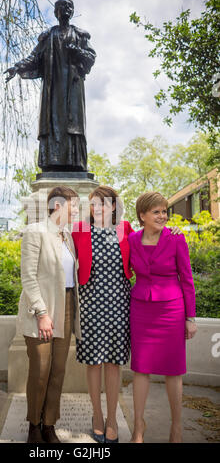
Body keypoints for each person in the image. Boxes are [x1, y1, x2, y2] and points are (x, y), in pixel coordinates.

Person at [128, 192, 197, 443]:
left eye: (164, 211)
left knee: (173, 370)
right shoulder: (132, 240)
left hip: (171, 310)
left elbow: (187, 280)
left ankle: (176, 427)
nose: (162, 216)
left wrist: (190, 317)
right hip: (141, 310)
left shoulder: (177, 239)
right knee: (140, 369)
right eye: (156, 212)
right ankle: (138, 426)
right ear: (142, 215)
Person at [17, 185, 81, 443]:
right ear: (58, 206)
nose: (77, 210)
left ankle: (49, 425)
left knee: (58, 370)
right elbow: (28, 277)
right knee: (40, 369)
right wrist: (42, 312)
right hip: (41, 309)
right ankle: (34, 425)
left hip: (66, 306)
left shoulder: (69, 236)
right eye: (74, 205)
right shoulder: (35, 232)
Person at [4, 0, 96, 172]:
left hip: (73, 88)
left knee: (73, 126)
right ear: (56, 12)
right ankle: (52, 161)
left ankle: (75, 163)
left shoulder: (80, 35)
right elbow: (34, 58)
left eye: (69, 6)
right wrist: (17, 67)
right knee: (53, 124)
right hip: (53, 90)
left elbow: (91, 57)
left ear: (72, 11)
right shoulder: (48, 37)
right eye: (62, 6)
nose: (66, 9)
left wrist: (76, 51)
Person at [72, 186, 134, 443]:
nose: (97, 208)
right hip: (90, 306)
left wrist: (173, 232)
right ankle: (97, 416)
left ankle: (112, 418)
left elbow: (151, 238)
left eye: (103, 204)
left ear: (114, 207)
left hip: (120, 305)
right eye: (94, 204)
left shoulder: (125, 229)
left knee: (113, 362)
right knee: (94, 362)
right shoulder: (80, 230)